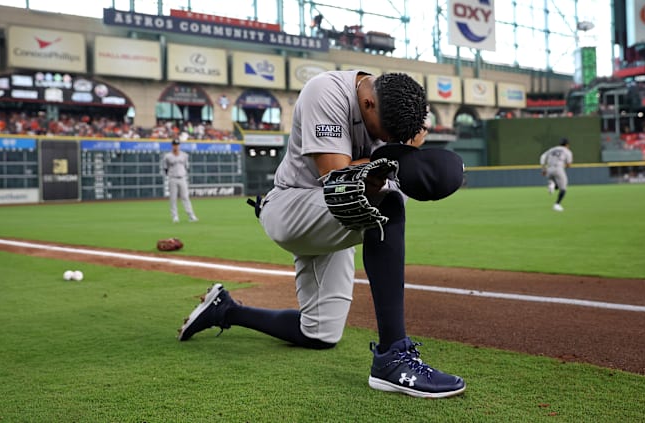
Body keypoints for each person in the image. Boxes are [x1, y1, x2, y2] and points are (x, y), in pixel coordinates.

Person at [177, 70, 466, 399]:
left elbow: (384, 166)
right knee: (388, 207)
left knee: (319, 334)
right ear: (368, 103)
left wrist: (405, 158)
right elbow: (336, 177)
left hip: (332, 216)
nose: (388, 139)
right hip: (293, 206)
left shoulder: (393, 109)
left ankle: (226, 309)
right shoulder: (326, 91)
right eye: (383, 132)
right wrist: (394, 158)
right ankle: (392, 357)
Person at [162, 138, 198, 223]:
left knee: (185, 197)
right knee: (173, 198)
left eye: (177, 145)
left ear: (179, 145)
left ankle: (191, 215)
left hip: (182, 178)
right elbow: (165, 168)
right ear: (172, 146)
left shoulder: (184, 155)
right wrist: (170, 175)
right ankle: (175, 217)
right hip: (173, 178)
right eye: (174, 145)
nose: (176, 146)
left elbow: (186, 166)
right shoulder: (167, 156)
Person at [540, 138, 573, 212]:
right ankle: (557, 204)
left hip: (549, 169)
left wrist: (543, 169)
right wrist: (564, 166)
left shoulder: (552, 149)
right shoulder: (567, 151)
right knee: (563, 188)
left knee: (557, 185)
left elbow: (542, 157)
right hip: (558, 169)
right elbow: (569, 165)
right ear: (567, 145)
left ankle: (552, 184)